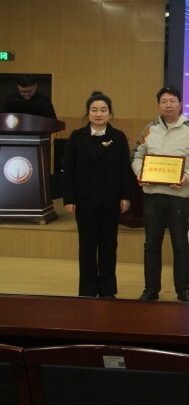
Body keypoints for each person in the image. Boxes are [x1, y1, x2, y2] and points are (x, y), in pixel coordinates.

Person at [131, 86, 189, 303]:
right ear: (158, 105)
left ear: (180, 104)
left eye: (172, 101)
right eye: (164, 101)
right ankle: (150, 289)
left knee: (180, 244)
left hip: (179, 196)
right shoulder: (150, 129)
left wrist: (187, 177)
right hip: (152, 194)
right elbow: (136, 155)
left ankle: (183, 289)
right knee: (151, 244)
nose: (168, 105)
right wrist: (140, 173)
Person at [62, 91, 134, 298]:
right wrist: (69, 198)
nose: (99, 114)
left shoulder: (118, 137)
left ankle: (108, 289)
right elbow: (69, 170)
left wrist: (125, 196)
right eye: (94, 110)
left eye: (103, 110)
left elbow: (125, 169)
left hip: (111, 201)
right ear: (88, 113)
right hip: (85, 201)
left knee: (108, 246)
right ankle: (87, 289)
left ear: (110, 113)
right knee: (87, 247)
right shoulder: (77, 137)